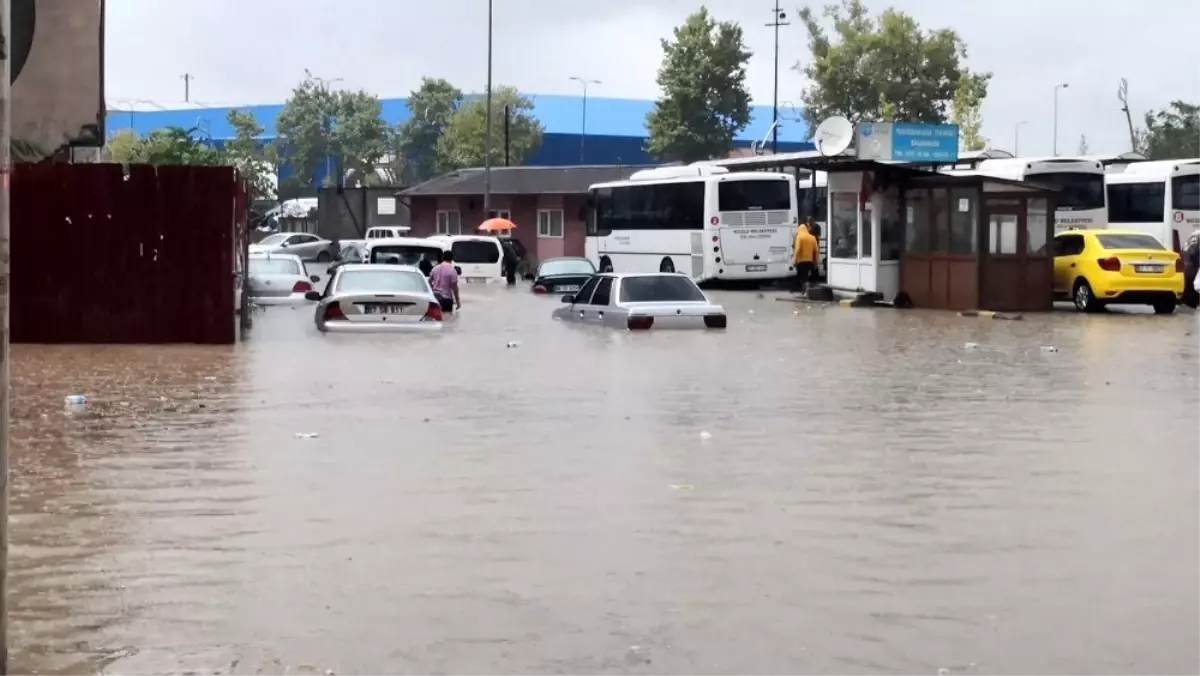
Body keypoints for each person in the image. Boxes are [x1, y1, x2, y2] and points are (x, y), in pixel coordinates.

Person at [792, 223, 818, 292]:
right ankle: (804, 290)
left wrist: (794, 260)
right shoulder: (812, 237)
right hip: (810, 261)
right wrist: (816, 262)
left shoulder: (799, 237)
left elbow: (797, 249)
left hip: (801, 261)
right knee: (805, 276)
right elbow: (816, 250)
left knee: (802, 277)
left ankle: (805, 290)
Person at [1183, 230, 1200, 308]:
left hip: (1184, 267)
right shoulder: (1196, 242)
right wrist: (1198, 263)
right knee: (1193, 288)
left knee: (1189, 288)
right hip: (1192, 268)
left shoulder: (1188, 241)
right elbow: (1193, 253)